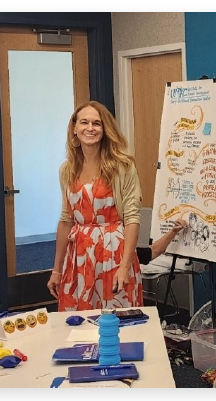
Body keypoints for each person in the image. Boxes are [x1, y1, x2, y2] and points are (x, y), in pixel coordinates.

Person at [47, 101, 144, 311]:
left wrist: (124, 266)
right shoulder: (67, 170)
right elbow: (66, 220)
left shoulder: (123, 166)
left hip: (114, 253)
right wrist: (57, 269)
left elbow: (132, 218)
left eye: (97, 123)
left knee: (117, 319)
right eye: (84, 122)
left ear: (105, 129)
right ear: (74, 128)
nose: (90, 128)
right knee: (78, 322)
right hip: (79, 257)